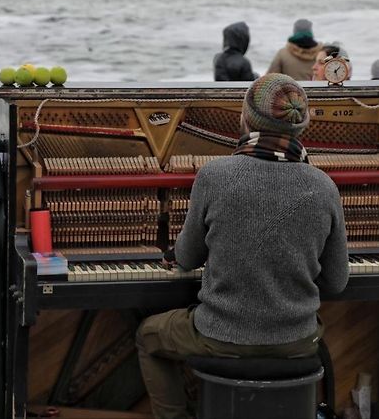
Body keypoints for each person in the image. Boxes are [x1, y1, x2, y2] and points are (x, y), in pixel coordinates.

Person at [136, 73, 349, 419]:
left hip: (221, 335)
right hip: (296, 340)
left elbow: (187, 258)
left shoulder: (214, 174)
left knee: (148, 336)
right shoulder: (324, 187)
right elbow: (337, 281)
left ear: (246, 118)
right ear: (302, 127)